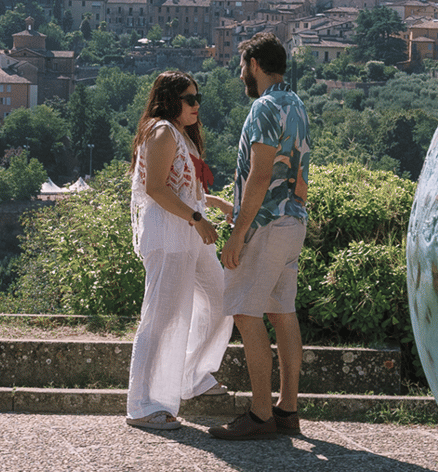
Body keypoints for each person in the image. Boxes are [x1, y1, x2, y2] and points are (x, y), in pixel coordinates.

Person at [212, 33, 311, 441]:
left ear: (254, 64)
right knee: (281, 311)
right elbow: (296, 174)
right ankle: (287, 409)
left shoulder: (265, 107)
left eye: (242, 67)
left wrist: (236, 236)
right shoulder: (297, 105)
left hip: (266, 225)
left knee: (244, 312)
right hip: (294, 221)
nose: (241, 76)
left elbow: (260, 174)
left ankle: (259, 414)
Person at [124, 71, 235, 431]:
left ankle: (193, 376)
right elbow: (155, 188)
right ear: (169, 99)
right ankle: (143, 404)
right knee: (161, 317)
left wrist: (213, 203)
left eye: (197, 97)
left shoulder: (179, 135)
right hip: (170, 233)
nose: (196, 104)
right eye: (189, 98)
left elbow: (182, 187)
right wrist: (198, 218)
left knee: (221, 299)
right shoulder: (160, 131)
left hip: (186, 231)